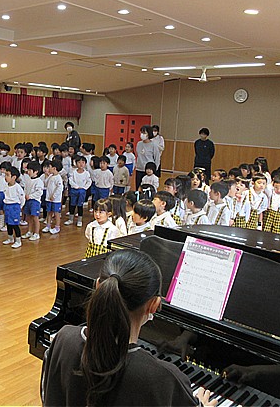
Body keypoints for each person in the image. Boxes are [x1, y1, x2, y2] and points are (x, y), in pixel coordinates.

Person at [41, 249, 215, 407]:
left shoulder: (64, 338)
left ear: (98, 286)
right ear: (154, 305)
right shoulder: (162, 378)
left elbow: (47, 394)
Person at [65, 155, 92, 228]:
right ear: (76, 163)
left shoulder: (86, 173)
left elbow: (89, 181)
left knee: (80, 205)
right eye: (79, 162)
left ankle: (79, 220)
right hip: (74, 190)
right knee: (72, 204)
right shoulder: (73, 172)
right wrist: (76, 186)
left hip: (82, 191)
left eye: (83, 162)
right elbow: (70, 180)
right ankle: (71, 219)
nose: (81, 164)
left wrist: (84, 188)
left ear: (85, 164)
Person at [2, 166, 25, 248]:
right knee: (8, 223)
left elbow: (22, 198)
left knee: (15, 225)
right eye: (5, 175)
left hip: (14, 207)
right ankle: (10, 238)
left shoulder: (18, 187)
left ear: (14, 177)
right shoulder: (6, 186)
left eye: (7, 175)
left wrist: (19, 207)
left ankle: (18, 240)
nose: (5, 177)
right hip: (7, 206)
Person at [43, 159, 64, 235]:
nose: (48, 169)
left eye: (50, 167)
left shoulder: (58, 178)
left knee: (56, 213)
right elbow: (46, 183)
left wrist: (54, 196)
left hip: (55, 200)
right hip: (49, 198)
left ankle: (57, 227)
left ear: (54, 168)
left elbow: (59, 188)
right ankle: (48, 225)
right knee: (49, 212)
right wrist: (47, 176)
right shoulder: (51, 176)